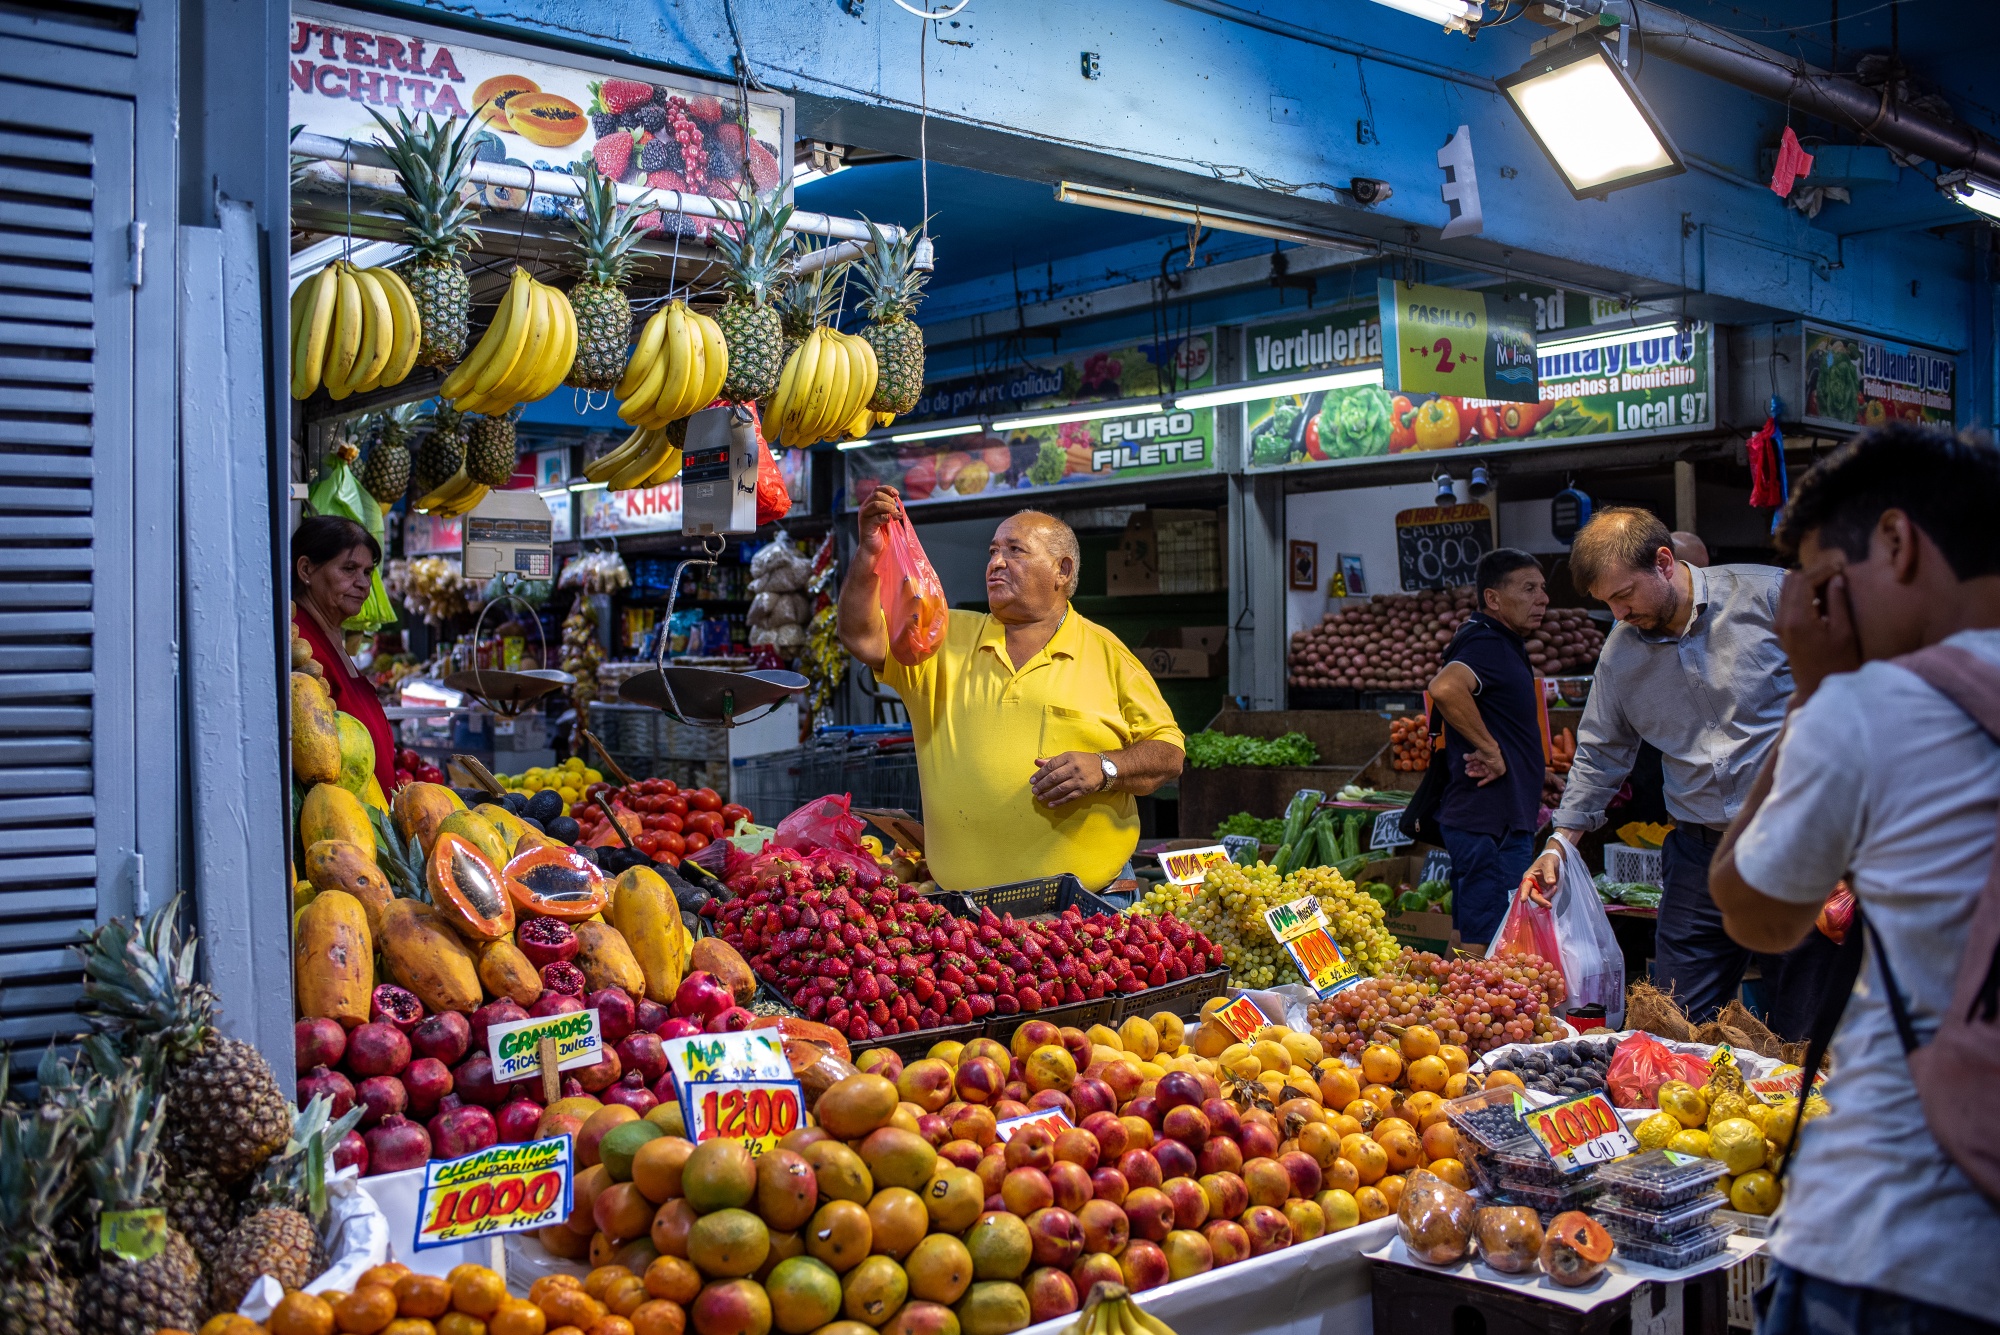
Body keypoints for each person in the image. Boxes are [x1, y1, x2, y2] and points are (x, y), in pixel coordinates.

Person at [1708, 423, 2000, 1334]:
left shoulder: (1875, 707)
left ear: (1897, 542)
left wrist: (1812, 688)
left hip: (1899, 1249)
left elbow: (1755, 912)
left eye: (1823, 587)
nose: (1815, 616)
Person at [1523, 506, 1823, 1030]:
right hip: (1698, 857)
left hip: (1799, 847)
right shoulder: (1620, 655)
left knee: (1800, 1024)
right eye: (1607, 603)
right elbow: (1599, 751)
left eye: (1623, 596)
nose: (1618, 614)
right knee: (1672, 1022)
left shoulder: (1772, 597)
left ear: (1664, 562)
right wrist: (1559, 843)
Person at [837, 488, 1185, 891]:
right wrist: (868, 552)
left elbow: (1168, 753)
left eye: (1015, 551)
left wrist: (1106, 768)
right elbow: (861, 636)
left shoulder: (1105, 652)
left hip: (1087, 910)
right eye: (992, 551)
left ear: (1063, 571)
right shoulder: (940, 638)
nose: (995, 563)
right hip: (965, 920)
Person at [1424, 548, 1557, 947]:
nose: (1543, 598)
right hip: (1490, 824)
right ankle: (1475, 1008)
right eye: (1529, 588)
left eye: (1543, 588)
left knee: (1475, 933)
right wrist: (1491, 751)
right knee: (1493, 939)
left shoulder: (1498, 641)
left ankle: (1460, 1003)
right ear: (1493, 598)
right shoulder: (1488, 644)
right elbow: (1444, 688)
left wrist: (1532, 772)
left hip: (1488, 820)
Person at [292, 515, 396, 798]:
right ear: (306, 569)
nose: (363, 583)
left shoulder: (332, 637)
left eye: (367, 572)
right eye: (349, 569)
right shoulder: (301, 645)